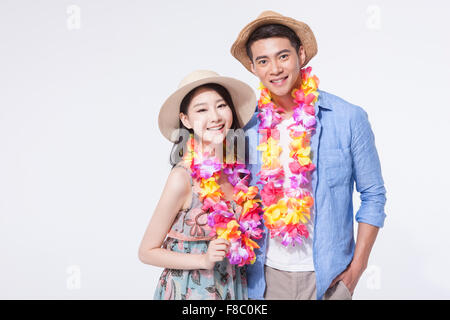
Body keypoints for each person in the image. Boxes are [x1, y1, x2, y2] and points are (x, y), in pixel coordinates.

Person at [230, 11, 387, 300]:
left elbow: (373, 195)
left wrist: (356, 271)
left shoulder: (348, 118)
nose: (275, 69)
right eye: (263, 61)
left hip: (327, 277)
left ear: (301, 54)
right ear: (253, 67)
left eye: (283, 56)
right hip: (262, 278)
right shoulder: (245, 127)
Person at [138, 70, 263, 300]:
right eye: (202, 109)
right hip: (190, 292)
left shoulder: (236, 173)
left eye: (221, 105)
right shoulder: (182, 178)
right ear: (185, 119)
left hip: (231, 288)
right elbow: (146, 252)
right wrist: (202, 260)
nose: (215, 117)